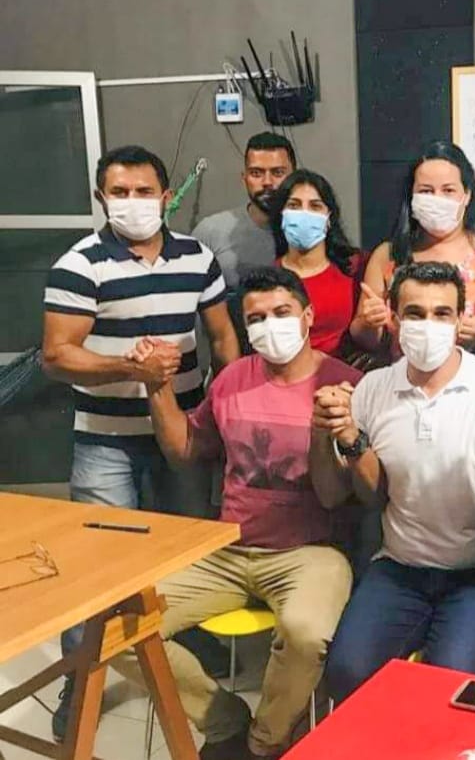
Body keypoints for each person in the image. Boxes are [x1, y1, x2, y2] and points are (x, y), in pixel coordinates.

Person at [112, 267, 357, 760]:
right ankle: (225, 722)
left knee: (306, 635)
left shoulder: (346, 384)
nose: (270, 325)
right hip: (226, 549)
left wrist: (325, 431)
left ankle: (263, 744)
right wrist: (156, 387)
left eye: (282, 312)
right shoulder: (231, 380)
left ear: (308, 316)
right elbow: (185, 449)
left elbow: (337, 496)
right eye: (256, 319)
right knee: (115, 630)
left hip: (309, 553)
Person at [42, 145, 240, 738]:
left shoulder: (197, 257)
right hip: (106, 441)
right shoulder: (80, 265)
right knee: (98, 566)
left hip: (183, 431)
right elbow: (57, 355)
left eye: (144, 191)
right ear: (102, 198)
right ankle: (80, 681)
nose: (133, 203)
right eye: (120, 193)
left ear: (165, 195)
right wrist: (130, 367)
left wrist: (224, 406)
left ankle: (183, 651)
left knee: (184, 550)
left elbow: (222, 336)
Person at [313, 262, 475, 702]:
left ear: (460, 319)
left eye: (441, 313)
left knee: (451, 687)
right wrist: (333, 435)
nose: (428, 325)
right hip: (401, 567)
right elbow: (362, 495)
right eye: (414, 313)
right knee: (345, 673)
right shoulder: (372, 389)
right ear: (394, 318)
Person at [351, 140, 475, 364]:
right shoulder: (388, 255)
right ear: (412, 196)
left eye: (448, 190)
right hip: (407, 379)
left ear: (467, 195)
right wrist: (369, 322)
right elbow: (365, 337)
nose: (437, 198)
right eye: (426, 191)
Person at [270, 169, 367, 359]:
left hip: (344, 373)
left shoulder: (355, 269)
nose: (304, 214)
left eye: (315, 206)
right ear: (281, 215)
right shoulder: (268, 279)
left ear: (329, 218)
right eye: (294, 205)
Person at [192, 132, 296, 291]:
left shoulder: (311, 231)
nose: (267, 182)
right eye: (256, 173)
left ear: (294, 177)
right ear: (244, 178)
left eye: (278, 173)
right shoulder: (211, 231)